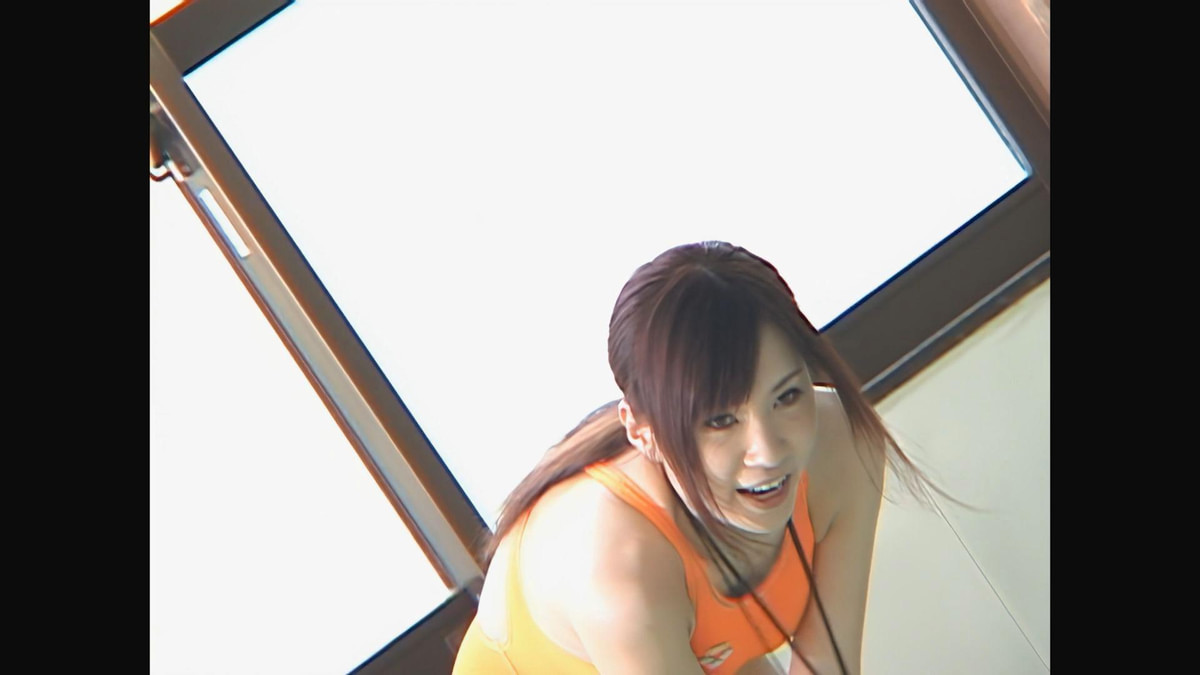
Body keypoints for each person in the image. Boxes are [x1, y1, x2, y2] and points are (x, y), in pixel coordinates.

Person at [452, 241, 930, 674]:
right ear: (642, 430)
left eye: (786, 397)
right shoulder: (617, 568)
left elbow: (829, 664)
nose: (768, 452)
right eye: (721, 421)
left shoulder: (841, 442)